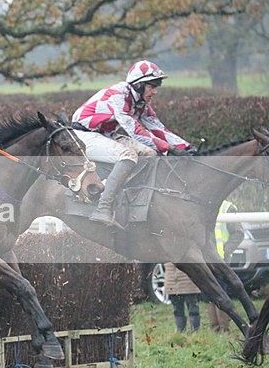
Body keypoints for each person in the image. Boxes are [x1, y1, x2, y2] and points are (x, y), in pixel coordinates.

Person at [72, 60, 194, 227]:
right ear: (138, 85)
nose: (155, 91)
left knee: (150, 154)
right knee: (128, 155)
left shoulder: (140, 102)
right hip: (82, 135)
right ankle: (102, 208)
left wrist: (186, 147)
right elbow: (135, 131)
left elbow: (158, 128)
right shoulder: (118, 94)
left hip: (105, 135)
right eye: (152, 86)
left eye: (157, 86)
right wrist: (169, 148)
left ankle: (123, 196)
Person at [208, 200, 244, 333]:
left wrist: (225, 250)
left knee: (221, 292)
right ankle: (215, 328)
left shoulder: (227, 207)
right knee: (210, 292)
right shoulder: (204, 203)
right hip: (206, 258)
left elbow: (238, 233)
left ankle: (224, 329)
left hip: (221, 260)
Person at [165, 263, 201, 333]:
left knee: (192, 309)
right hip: (172, 281)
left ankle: (194, 330)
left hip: (188, 281)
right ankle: (180, 329)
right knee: (177, 310)